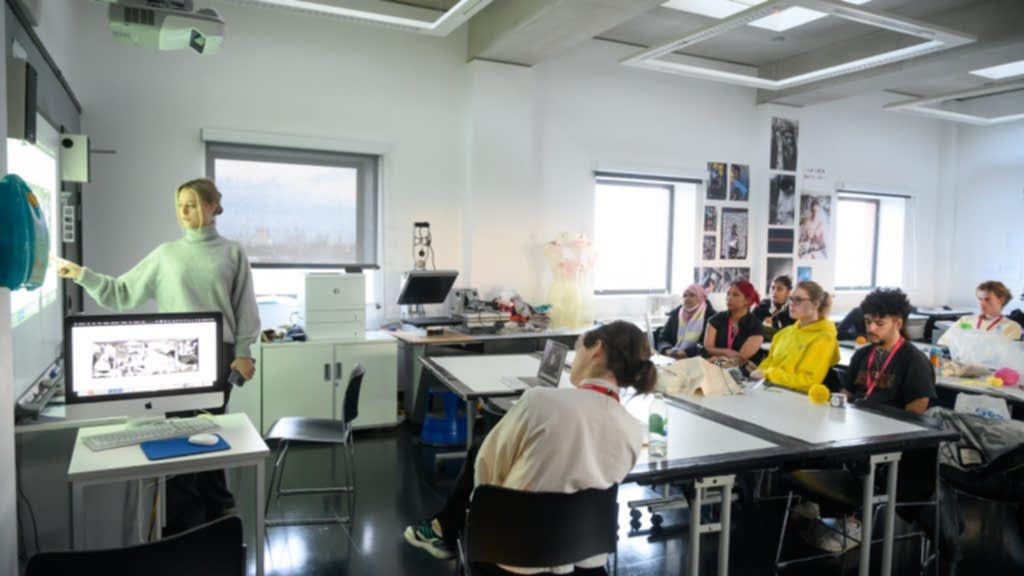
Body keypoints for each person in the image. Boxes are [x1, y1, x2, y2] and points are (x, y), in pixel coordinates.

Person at [55, 178, 260, 530]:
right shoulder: (166, 254)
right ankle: (182, 523)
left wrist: (244, 352)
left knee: (210, 433)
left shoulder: (232, 253)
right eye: (179, 204)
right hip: (172, 357)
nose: (183, 212)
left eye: (192, 204)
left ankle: (219, 513)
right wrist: (81, 275)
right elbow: (122, 292)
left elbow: (245, 309)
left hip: (218, 355)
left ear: (212, 208)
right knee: (177, 438)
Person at [403, 321, 655, 573]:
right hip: (586, 560)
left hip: (510, 555)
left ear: (596, 349)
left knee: (481, 453)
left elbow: (486, 470)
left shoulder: (539, 401)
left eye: (577, 349)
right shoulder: (633, 430)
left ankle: (441, 529)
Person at [751, 281, 838, 393]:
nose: (791, 304)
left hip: (800, 399)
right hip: (772, 391)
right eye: (791, 299)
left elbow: (807, 381)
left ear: (816, 304)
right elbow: (768, 362)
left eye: (798, 300)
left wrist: (768, 374)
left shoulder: (824, 338)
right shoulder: (784, 333)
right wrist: (760, 372)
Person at [703, 280, 764, 368]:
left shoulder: (756, 326)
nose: (729, 298)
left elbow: (741, 357)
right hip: (713, 365)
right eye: (728, 294)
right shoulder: (715, 319)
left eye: (735, 295)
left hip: (742, 371)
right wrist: (726, 352)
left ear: (747, 300)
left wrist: (717, 354)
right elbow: (707, 349)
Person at [939, 280, 1022, 344]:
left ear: (1001, 300)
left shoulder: (1011, 327)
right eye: (980, 299)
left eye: (987, 299)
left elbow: (1002, 356)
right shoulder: (965, 320)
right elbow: (944, 342)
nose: (981, 303)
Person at [657, 284, 716, 359]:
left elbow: (707, 346)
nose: (687, 298)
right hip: (672, 357)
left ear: (700, 297)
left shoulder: (711, 316)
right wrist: (667, 349)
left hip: (697, 360)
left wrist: (687, 353)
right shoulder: (676, 314)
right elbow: (663, 338)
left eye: (692, 295)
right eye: (684, 295)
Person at [754, 274, 795, 340]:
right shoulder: (760, 307)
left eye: (779, 289)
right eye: (772, 288)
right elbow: (751, 330)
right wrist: (763, 326)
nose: (774, 292)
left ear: (788, 292)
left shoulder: (793, 310)